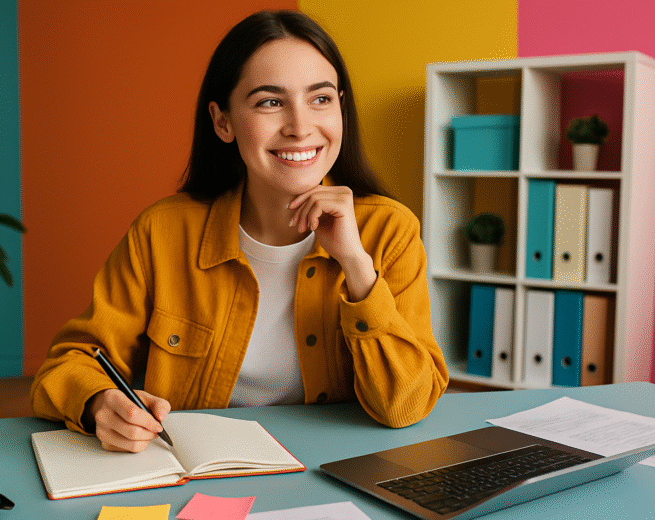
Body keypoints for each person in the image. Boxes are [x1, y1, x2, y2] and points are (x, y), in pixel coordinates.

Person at [31, 9, 448, 453]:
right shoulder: (162, 232)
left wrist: (357, 267)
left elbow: (407, 404)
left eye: (321, 99)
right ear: (223, 121)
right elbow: (65, 366)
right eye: (270, 102)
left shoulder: (390, 230)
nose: (301, 127)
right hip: (195, 475)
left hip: (333, 474)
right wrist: (99, 402)